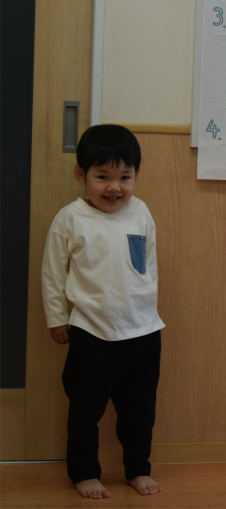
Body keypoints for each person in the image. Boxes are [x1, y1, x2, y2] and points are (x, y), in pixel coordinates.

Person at [41, 124, 164, 499]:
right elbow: (52, 273)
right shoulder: (70, 218)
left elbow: (148, 266)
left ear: (136, 175)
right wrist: (57, 318)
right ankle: (84, 473)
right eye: (103, 177)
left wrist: (147, 310)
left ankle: (137, 469)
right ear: (81, 174)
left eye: (125, 177)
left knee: (140, 412)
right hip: (90, 333)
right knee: (84, 410)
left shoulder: (141, 212)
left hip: (142, 332)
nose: (115, 187)